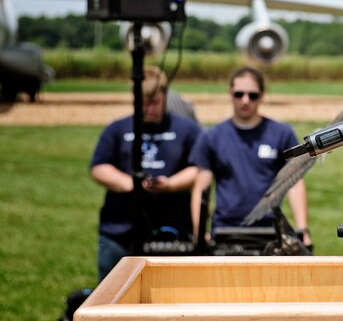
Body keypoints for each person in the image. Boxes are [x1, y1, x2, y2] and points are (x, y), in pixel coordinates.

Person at [89, 65, 202, 281]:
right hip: (121, 231)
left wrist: (170, 184)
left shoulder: (186, 129)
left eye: (154, 102)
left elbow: (200, 169)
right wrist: (129, 183)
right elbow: (99, 167)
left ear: (165, 96)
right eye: (143, 103)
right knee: (114, 296)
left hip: (173, 229)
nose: (149, 109)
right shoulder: (118, 129)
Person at [189, 66, 310, 248]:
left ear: (262, 95)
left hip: (269, 230)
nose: (245, 100)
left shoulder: (281, 134)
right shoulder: (212, 137)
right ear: (230, 94)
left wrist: (302, 230)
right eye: (239, 94)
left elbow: (294, 183)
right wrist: (200, 234)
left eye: (252, 95)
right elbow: (201, 188)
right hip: (224, 230)